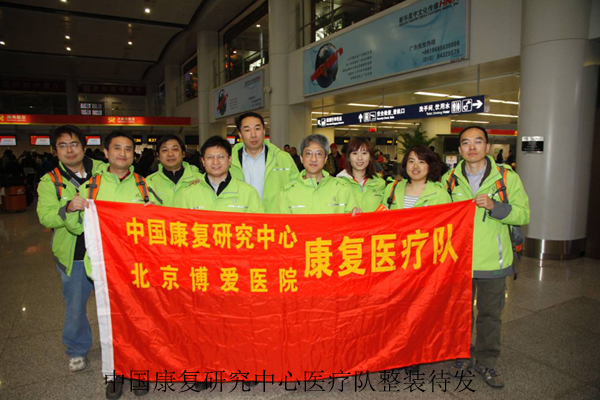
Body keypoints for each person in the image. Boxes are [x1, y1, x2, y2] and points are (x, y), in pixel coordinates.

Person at [64, 131, 159, 398]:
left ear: (133, 155)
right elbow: (76, 228)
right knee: (110, 323)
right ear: (105, 153)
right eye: (117, 148)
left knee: (139, 321)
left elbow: (159, 228)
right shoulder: (91, 187)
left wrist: (153, 212)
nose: (123, 154)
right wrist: (71, 209)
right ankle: (114, 373)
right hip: (105, 269)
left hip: (137, 268)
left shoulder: (144, 186)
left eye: (128, 149)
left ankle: (139, 370)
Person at [444, 126, 530, 388]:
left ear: (488, 147)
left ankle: (486, 361)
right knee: (460, 315)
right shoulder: (448, 179)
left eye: (478, 141)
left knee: (490, 315)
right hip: (458, 262)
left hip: (494, 261)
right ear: (459, 149)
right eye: (466, 143)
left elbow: (523, 214)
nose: (472, 147)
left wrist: (495, 207)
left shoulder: (506, 178)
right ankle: (461, 356)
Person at [36, 125, 104, 373]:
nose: (69, 150)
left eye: (74, 144)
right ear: (55, 151)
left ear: (84, 147)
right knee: (75, 306)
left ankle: (119, 345)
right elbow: (45, 216)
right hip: (73, 254)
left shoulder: (104, 171)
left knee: (117, 303)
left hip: (107, 251)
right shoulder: (50, 181)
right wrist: (67, 208)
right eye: (62, 146)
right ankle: (77, 349)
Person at [230, 112, 299, 212]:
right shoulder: (229, 161)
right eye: (247, 130)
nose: (253, 135)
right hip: (241, 219)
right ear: (240, 134)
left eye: (257, 129)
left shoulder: (282, 158)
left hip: (274, 218)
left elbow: (297, 189)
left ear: (263, 131)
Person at [175, 135, 262, 213]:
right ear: (203, 161)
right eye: (210, 157)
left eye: (220, 157)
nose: (215, 162)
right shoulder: (187, 194)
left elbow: (258, 223)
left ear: (229, 160)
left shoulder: (248, 193)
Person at [278, 134, 359, 214]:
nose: (313, 159)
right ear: (301, 158)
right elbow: (282, 221)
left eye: (319, 154)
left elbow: (352, 219)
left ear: (325, 159)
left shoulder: (341, 188)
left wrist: (356, 214)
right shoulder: (288, 191)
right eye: (309, 153)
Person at [383, 144, 451, 209]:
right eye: (411, 161)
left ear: (430, 166)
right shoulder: (392, 189)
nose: (415, 166)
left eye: (421, 162)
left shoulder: (440, 194)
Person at [146, 134, 202, 207]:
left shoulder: (200, 179)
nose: (170, 154)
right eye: (165, 150)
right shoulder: (149, 182)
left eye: (175, 149)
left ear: (183, 154)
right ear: (158, 155)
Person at [336, 137, 386, 212]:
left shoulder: (380, 184)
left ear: (370, 157)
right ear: (348, 157)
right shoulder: (338, 184)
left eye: (364, 153)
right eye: (355, 153)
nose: (360, 158)